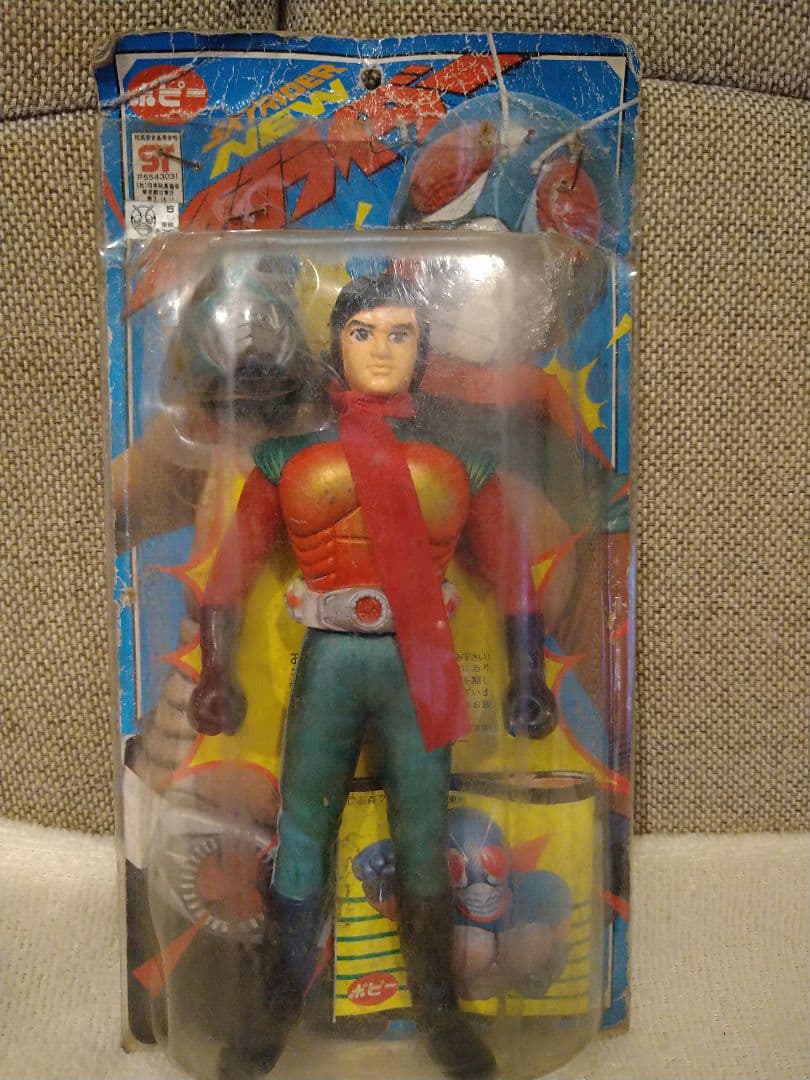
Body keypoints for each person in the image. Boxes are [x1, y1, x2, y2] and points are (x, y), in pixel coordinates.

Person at [191, 272, 556, 1079]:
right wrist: (217, 668)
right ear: (337, 346)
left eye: (400, 333)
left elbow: (512, 577)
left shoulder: (461, 462)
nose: (382, 350)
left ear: (422, 350)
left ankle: (439, 1011)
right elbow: (232, 573)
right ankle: (274, 1008)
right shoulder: (287, 458)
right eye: (363, 333)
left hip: (416, 661)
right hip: (330, 657)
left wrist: (529, 673)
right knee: (302, 834)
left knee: (424, 838)